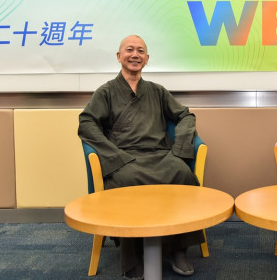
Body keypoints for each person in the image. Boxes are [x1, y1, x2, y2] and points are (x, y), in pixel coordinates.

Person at [78, 35, 204, 280]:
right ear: (119, 57)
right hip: (125, 158)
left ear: (147, 59)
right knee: (125, 184)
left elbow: (186, 116)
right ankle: (132, 257)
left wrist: (179, 150)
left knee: (183, 175)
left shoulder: (157, 91)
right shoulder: (106, 92)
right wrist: (113, 156)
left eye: (140, 51)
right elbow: (87, 122)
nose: (135, 55)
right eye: (129, 50)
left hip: (160, 155)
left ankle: (178, 249)